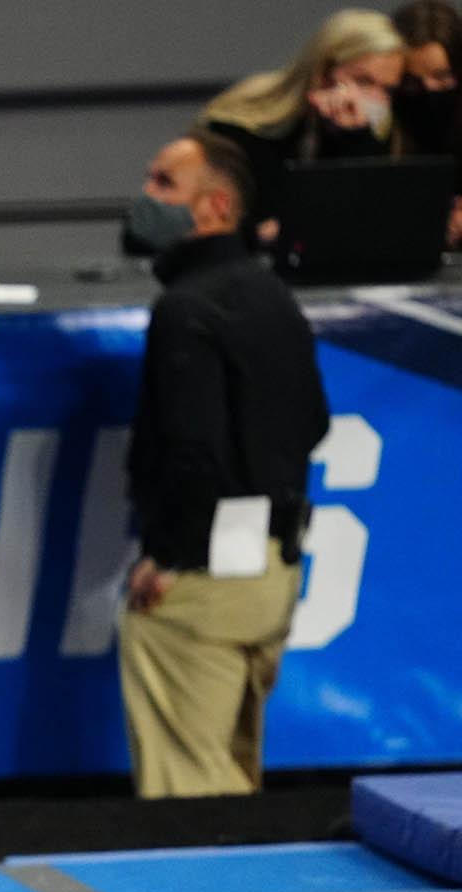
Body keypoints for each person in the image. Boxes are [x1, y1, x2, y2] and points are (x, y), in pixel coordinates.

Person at [119, 131, 331, 799]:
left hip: (204, 585)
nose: (146, 195)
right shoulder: (271, 293)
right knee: (234, 782)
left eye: (164, 183)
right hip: (273, 573)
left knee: (192, 801)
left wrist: (169, 557)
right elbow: (315, 420)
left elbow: (193, 452)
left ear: (214, 207)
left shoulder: (186, 309)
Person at [199, 9, 406, 243]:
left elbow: (369, 220)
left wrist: (354, 140)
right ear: (322, 72)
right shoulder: (241, 128)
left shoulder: (373, 134)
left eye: (387, 89)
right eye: (363, 80)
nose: (374, 98)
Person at [391, 0, 462, 248]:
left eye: (441, 76)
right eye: (412, 82)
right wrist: (430, 223)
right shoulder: (395, 115)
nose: (428, 89)